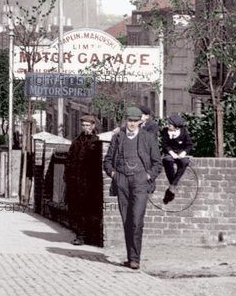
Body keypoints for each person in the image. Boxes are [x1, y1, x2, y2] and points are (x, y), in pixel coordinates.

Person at [103, 106, 162, 270]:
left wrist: (148, 176)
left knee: (137, 220)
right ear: (126, 120)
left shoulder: (148, 138)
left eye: (135, 121)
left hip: (141, 182)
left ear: (140, 122)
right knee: (127, 220)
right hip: (122, 180)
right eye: (129, 120)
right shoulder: (118, 137)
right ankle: (131, 258)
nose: (132, 124)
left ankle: (135, 258)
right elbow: (107, 160)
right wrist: (114, 174)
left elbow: (157, 163)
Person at [64, 115, 103, 246]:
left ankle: (92, 236)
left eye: (88, 125)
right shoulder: (76, 141)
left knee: (91, 210)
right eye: (84, 125)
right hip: (77, 182)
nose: (86, 128)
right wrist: (68, 178)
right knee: (78, 210)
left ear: (93, 126)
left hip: (91, 183)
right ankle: (80, 236)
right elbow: (69, 160)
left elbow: (98, 163)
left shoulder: (97, 141)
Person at [161, 113, 193, 205]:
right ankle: (172, 185)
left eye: (170, 125)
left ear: (176, 127)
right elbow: (165, 144)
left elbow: (189, 144)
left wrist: (183, 153)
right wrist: (172, 153)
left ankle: (172, 185)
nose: (168, 126)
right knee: (168, 161)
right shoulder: (165, 131)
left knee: (184, 162)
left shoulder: (183, 132)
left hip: (181, 153)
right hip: (170, 153)